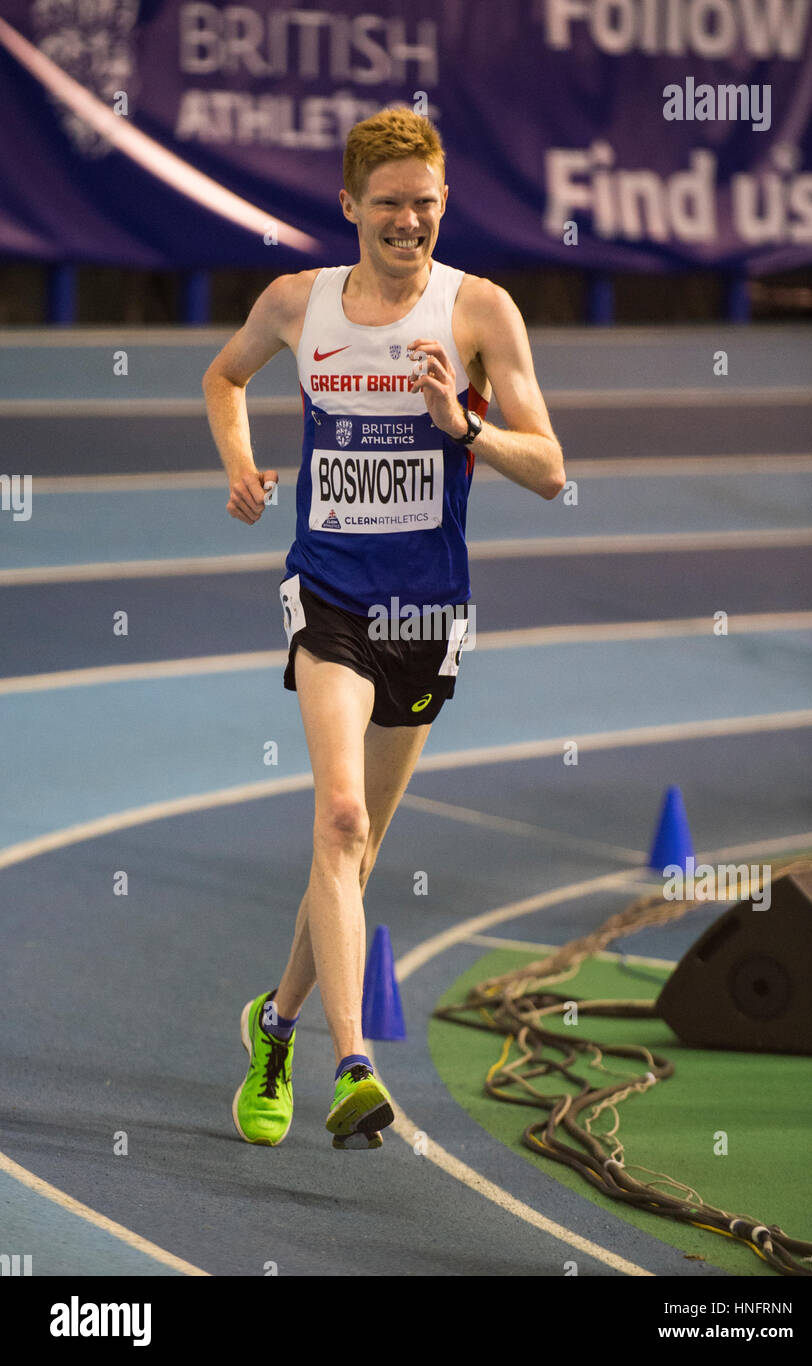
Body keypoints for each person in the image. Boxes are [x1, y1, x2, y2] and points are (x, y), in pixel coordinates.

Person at [202, 104, 565, 1151]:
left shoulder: (482, 312)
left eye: (426, 205)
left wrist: (470, 428)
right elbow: (224, 377)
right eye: (389, 207)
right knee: (342, 821)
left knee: (351, 864)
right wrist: (239, 461)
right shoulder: (295, 304)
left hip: (425, 610)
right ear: (350, 206)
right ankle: (353, 1065)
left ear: (445, 203)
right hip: (329, 596)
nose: (409, 224)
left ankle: (274, 1024)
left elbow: (552, 470)